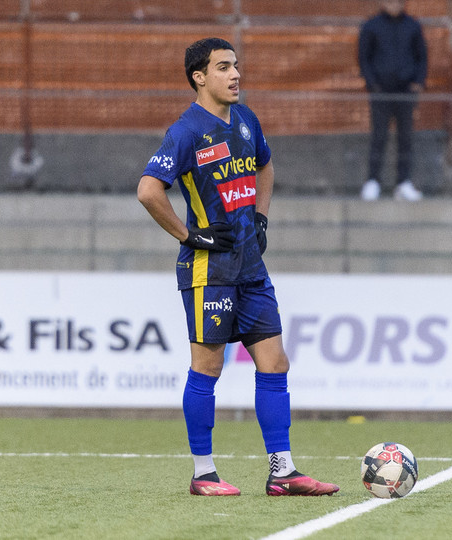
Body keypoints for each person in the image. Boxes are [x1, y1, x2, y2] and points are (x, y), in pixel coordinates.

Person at [137, 37, 339, 497]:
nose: (235, 74)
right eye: (224, 67)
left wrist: (262, 216)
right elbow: (149, 190)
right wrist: (190, 236)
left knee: (275, 362)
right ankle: (203, 473)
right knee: (207, 368)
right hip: (211, 273)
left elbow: (265, 167)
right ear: (199, 77)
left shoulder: (246, 121)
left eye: (236, 66)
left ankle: (282, 472)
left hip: (251, 268)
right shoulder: (186, 132)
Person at [358, 0, 428, 201]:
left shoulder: (413, 26)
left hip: (405, 92)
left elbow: (421, 56)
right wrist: (373, 84)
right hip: (381, 92)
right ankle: (373, 182)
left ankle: (403, 182)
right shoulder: (372, 26)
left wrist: (418, 81)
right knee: (379, 136)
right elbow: (364, 57)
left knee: (405, 137)